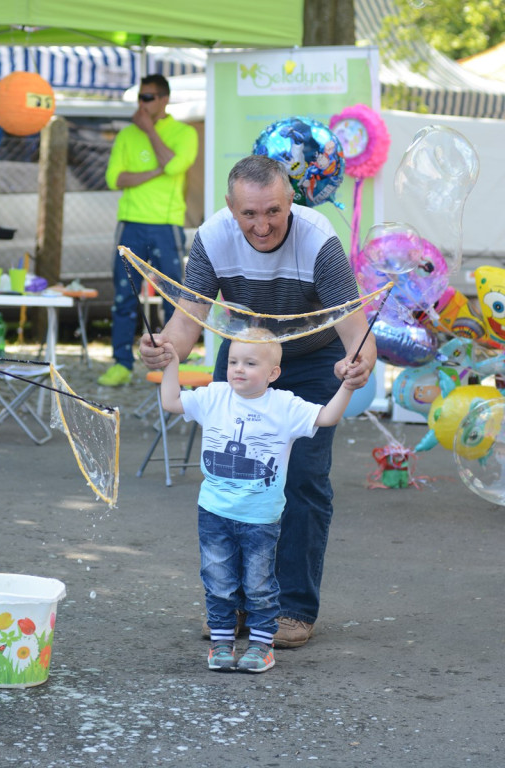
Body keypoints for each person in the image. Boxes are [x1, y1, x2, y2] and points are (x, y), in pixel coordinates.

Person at [140, 154, 377, 648]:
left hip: (314, 361)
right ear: (230, 208)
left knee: (304, 478)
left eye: (273, 211)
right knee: (236, 477)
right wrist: (164, 348)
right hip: (245, 355)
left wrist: (357, 362)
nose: (262, 224)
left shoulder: (318, 239)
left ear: (291, 199)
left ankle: (293, 608)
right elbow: (187, 321)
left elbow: (356, 329)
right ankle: (236, 606)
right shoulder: (211, 238)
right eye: (249, 214)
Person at [160, 330, 354, 672]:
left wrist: (348, 387)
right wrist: (172, 363)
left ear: (273, 373)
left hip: (261, 515)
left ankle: (261, 645)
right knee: (217, 579)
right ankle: (221, 643)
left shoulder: (284, 405)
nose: (238, 369)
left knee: (259, 582)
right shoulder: (215, 395)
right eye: (233, 361)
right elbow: (171, 402)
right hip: (214, 512)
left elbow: (326, 417)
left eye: (250, 363)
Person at [98, 74, 198, 387]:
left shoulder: (184, 133)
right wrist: (155, 171)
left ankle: (175, 360)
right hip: (131, 223)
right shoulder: (126, 135)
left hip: (166, 225)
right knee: (124, 297)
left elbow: (172, 165)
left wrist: (149, 130)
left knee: (173, 297)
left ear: (165, 99)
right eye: (140, 97)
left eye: (149, 97)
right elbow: (115, 178)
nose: (143, 104)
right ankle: (121, 363)